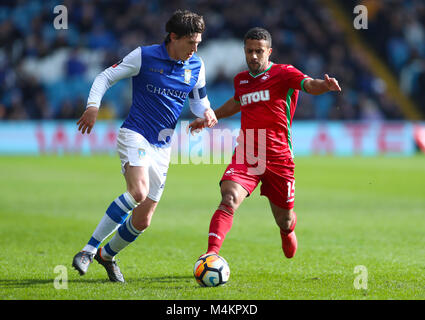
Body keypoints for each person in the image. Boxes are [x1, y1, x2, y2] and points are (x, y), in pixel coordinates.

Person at [72, 10, 217, 282]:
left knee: (142, 220)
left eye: (198, 43)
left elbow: (199, 100)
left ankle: (107, 256)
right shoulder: (144, 56)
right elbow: (105, 77)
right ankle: (88, 251)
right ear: (173, 37)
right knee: (137, 191)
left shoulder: (196, 66)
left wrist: (206, 113)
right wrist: (93, 106)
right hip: (135, 134)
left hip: (162, 147)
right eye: (191, 43)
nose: (195, 49)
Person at [188, 27, 341, 259]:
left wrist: (324, 85)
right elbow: (237, 102)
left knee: (285, 219)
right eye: (249, 51)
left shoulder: (284, 73)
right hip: (248, 154)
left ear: (269, 51)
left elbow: (309, 85)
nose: (254, 56)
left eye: (259, 51)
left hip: (280, 158)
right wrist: (212, 116)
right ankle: (211, 255)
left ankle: (287, 229)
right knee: (228, 197)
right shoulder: (241, 80)